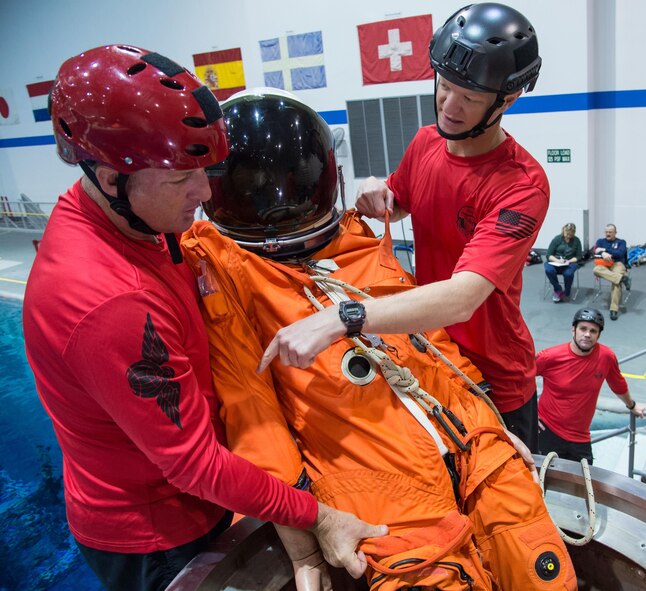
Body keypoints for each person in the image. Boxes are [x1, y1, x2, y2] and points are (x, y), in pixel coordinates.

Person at [181, 88, 577, 591]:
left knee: (542, 573)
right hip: (373, 476)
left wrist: (486, 419)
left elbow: (429, 336)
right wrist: (305, 538)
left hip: (467, 434)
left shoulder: (354, 240)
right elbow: (250, 408)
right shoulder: (223, 270)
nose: (285, 204)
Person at [21, 45, 383, 591]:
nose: (204, 193)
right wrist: (315, 515)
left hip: (195, 489)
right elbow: (195, 467)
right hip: (159, 530)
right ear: (107, 175)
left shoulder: (138, 219)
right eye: (179, 182)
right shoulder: (107, 301)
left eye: (205, 171)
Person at [263, 3, 547, 451]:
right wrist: (374, 191)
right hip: (427, 350)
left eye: (469, 99)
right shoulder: (426, 142)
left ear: (506, 100)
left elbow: (462, 298)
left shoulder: (521, 186)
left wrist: (344, 318)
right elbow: (396, 203)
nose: (449, 107)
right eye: (445, 87)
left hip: (494, 376)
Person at [537, 308, 645, 463]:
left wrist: (631, 405)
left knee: (584, 484)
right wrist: (531, 413)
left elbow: (618, 384)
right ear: (573, 330)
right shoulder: (550, 357)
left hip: (580, 436)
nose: (587, 334)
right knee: (541, 482)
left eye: (593, 331)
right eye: (583, 329)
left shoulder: (606, 357)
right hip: (548, 430)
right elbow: (520, 378)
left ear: (598, 335)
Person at [590, 223, 629, 320]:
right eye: (606, 232)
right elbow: (594, 251)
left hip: (617, 264)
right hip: (604, 265)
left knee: (616, 284)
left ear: (615, 233)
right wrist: (603, 253)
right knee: (596, 270)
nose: (608, 234)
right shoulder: (600, 241)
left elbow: (620, 253)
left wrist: (604, 250)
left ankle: (614, 310)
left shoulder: (621, 242)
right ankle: (622, 278)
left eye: (610, 232)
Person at [544, 223, 583, 303]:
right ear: (563, 230)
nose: (568, 235)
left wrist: (569, 261)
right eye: (567, 233)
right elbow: (549, 255)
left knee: (568, 274)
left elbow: (578, 256)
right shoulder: (557, 239)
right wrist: (557, 261)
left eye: (570, 233)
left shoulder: (576, 240)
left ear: (574, 233)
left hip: (569, 262)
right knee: (549, 270)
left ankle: (567, 291)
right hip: (555, 261)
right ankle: (558, 289)